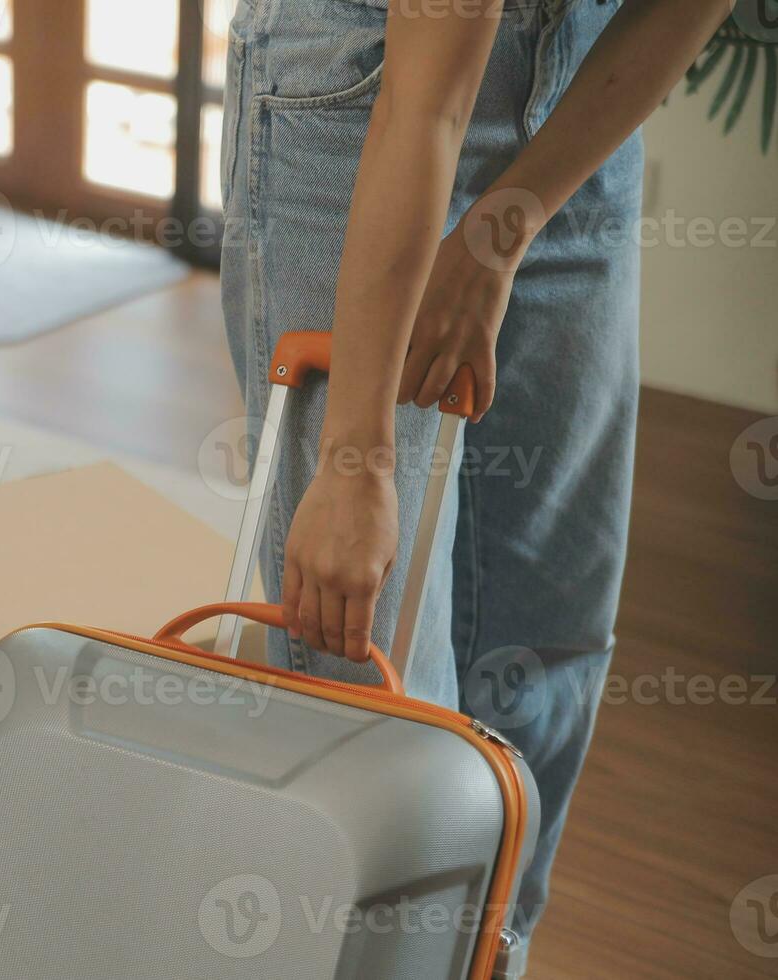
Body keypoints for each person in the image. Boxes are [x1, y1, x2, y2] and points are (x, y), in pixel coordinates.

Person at [218, 0, 730, 974]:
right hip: (366, 96)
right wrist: (356, 458)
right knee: (367, 654)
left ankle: (484, 956)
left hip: (584, 95)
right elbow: (425, 104)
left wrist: (510, 222)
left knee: (549, 632)